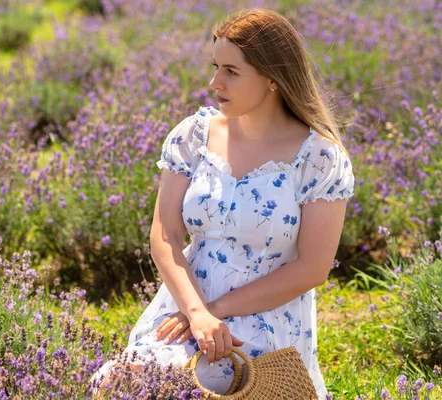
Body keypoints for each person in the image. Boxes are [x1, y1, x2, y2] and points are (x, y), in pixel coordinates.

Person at [90, 7, 355, 399]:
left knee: (193, 388)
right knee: (112, 382)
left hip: (265, 318)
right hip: (186, 305)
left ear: (272, 78)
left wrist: (218, 310)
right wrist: (196, 312)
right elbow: (165, 233)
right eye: (215, 66)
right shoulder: (192, 135)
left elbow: (312, 268)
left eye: (231, 71)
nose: (215, 82)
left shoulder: (319, 157)